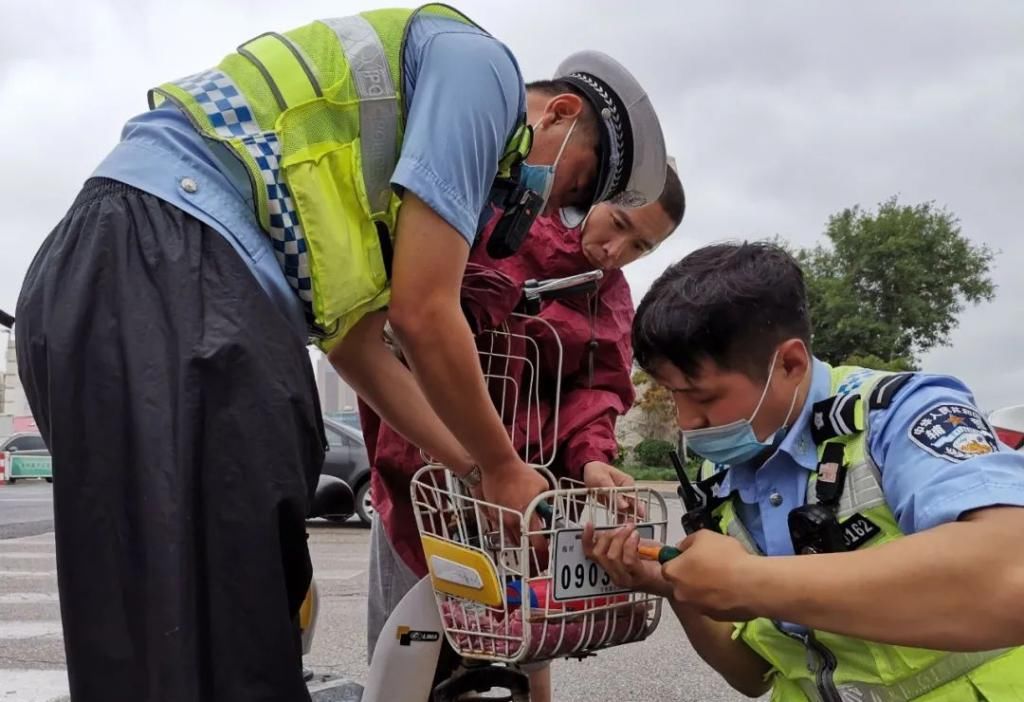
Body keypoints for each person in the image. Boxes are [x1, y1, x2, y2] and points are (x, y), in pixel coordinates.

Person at [14, 5, 667, 701]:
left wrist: (472, 470)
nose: (555, 211)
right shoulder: (482, 70)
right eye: (575, 188)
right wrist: (504, 470)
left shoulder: (372, 187)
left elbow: (359, 348)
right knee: (228, 631)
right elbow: (423, 313)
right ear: (560, 114)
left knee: (159, 633)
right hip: (172, 265)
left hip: (114, 276)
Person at [585, 242, 1024, 700]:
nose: (688, 420)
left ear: (791, 363)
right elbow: (752, 676)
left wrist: (745, 581)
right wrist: (674, 586)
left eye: (704, 396)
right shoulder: (722, 474)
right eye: (673, 395)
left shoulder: (900, 415)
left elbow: (1010, 573)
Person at [360, 164, 685, 700]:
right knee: (408, 641)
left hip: (524, 493)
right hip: (430, 475)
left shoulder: (610, 297)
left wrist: (590, 458)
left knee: (526, 629)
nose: (616, 251)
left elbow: (596, 393)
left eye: (640, 246)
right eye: (618, 224)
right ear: (594, 198)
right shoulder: (497, 228)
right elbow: (418, 328)